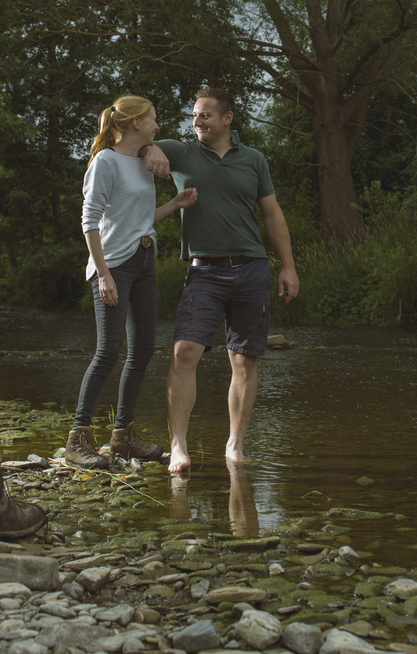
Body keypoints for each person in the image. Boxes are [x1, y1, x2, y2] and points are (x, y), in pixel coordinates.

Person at [142, 87, 299, 472]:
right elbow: (133, 141)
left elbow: (273, 215)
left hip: (252, 268)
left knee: (244, 360)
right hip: (204, 271)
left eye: (206, 115)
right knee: (184, 353)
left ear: (228, 119)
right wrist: (152, 148)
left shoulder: (254, 160)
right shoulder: (180, 151)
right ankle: (178, 446)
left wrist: (288, 265)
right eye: (194, 115)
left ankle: (235, 445)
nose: (197, 121)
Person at [65, 95, 197, 470]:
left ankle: (122, 437)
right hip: (115, 266)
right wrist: (103, 274)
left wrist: (175, 205)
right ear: (136, 123)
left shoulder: (142, 162)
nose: (158, 125)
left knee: (143, 350)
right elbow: (89, 221)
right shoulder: (105, 161)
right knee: (108, 351)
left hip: (144, 262)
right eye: (154, 119)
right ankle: (78, 439)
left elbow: (138, 217)